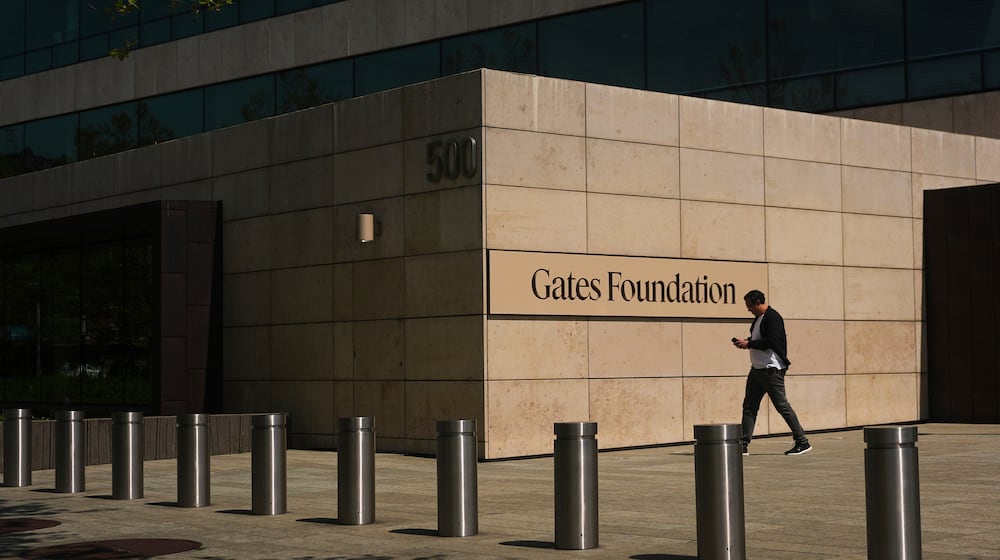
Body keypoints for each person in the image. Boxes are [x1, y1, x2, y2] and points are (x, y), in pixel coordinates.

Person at [732, 289, 811, 456]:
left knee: (782, 406)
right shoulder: (758, 320)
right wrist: (746, 342)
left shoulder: (773, 317)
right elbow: (760, 340)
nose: (749, 310)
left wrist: (750, 344)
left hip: (771, 370)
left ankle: (802, 441)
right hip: (757, 369)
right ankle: (743, 444)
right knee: (749, 406)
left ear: (758, 303)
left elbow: (771, 341)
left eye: (750, 307)